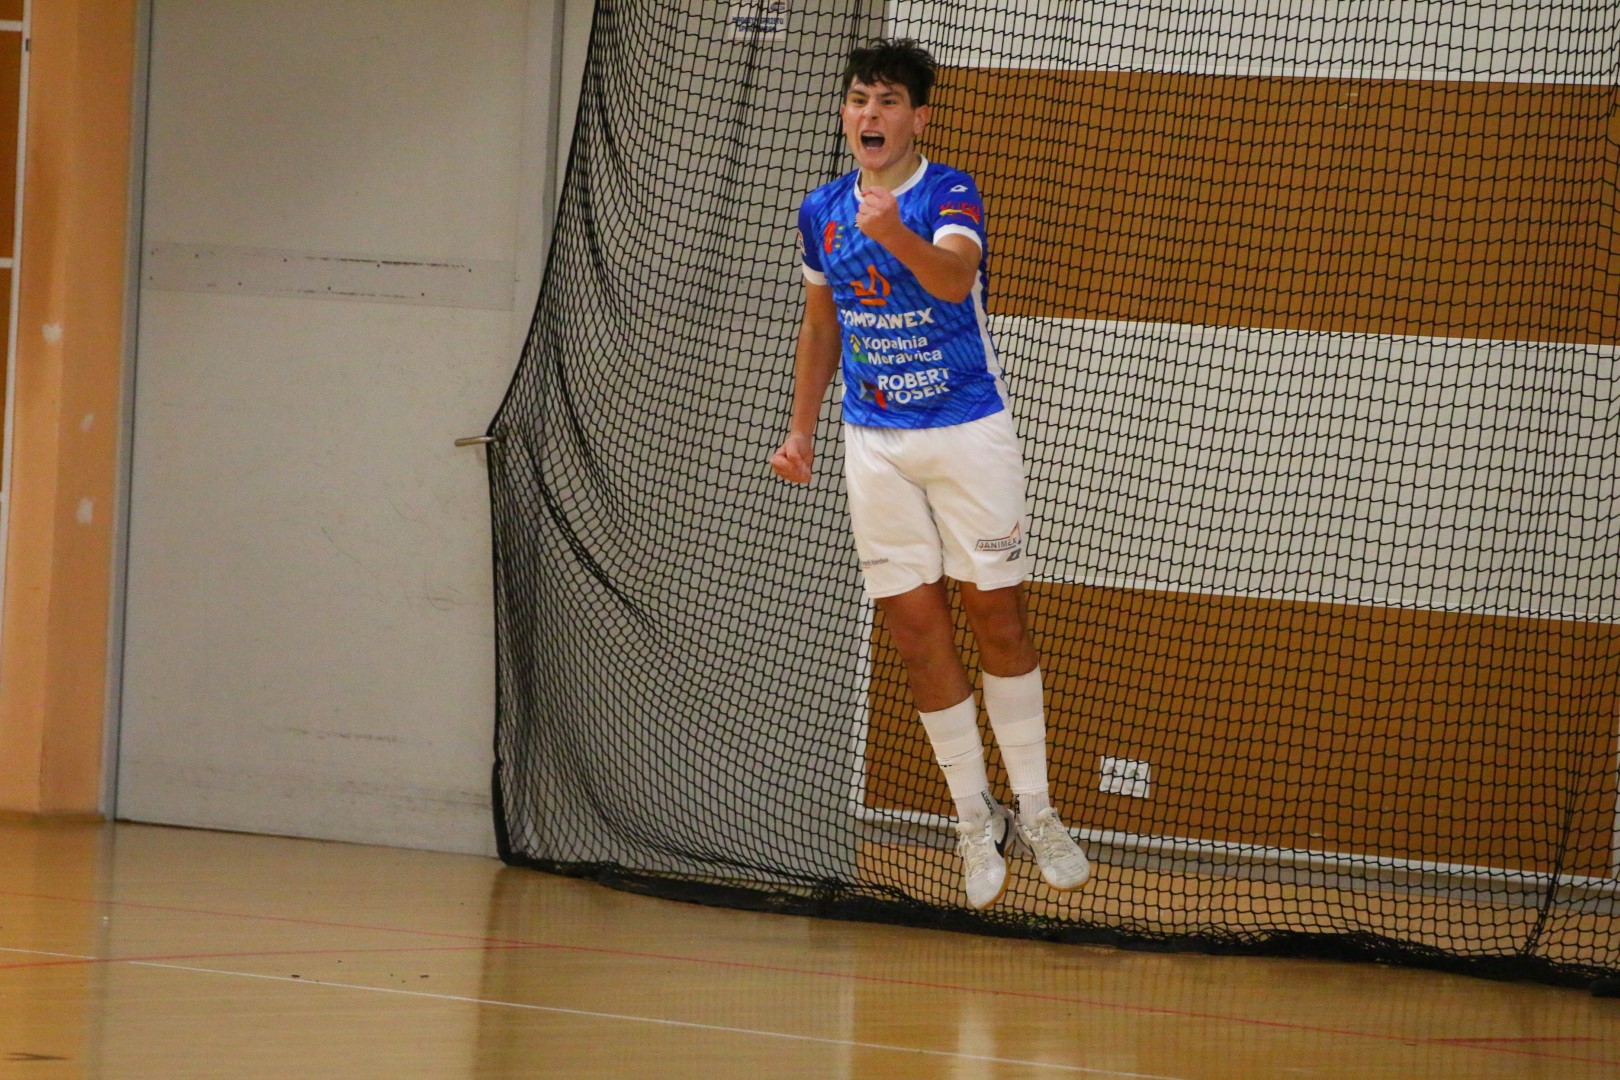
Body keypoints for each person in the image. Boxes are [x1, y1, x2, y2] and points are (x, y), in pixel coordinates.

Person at [770, 38, 1091, 909]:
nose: (869, 114)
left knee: (997, 616)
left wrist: (893, 233)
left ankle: (1038, 809)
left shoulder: (949, 192)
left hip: (966, 432)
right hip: (874, 441)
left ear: (918, 118)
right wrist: (800, 430)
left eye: (886, 101)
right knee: (915, 632)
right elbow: (821, 324)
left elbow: (952, 281)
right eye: (858, 100)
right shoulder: (820, 209)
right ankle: (974, 818)